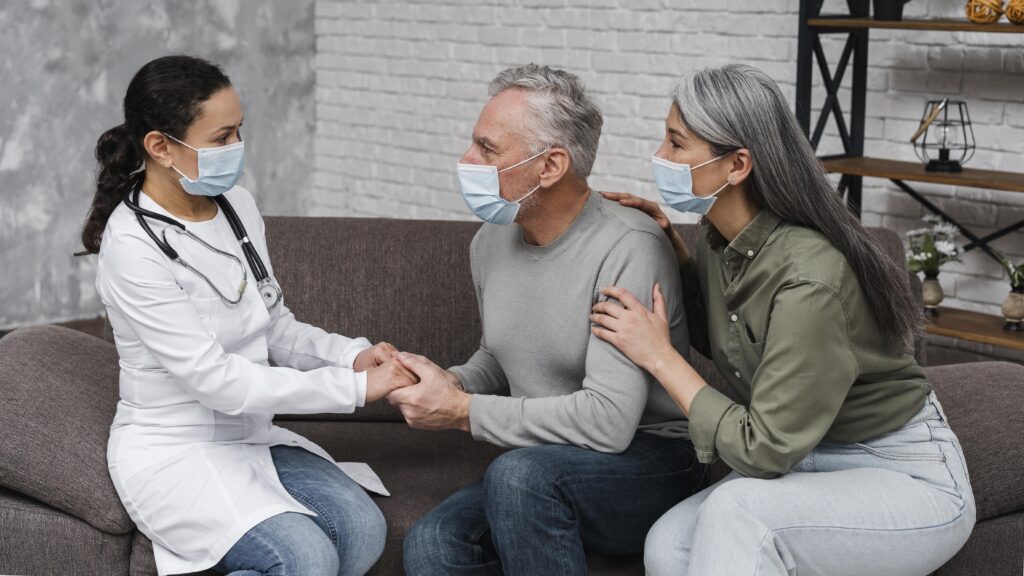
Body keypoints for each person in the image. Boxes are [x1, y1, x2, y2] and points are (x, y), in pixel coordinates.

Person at [592, 64, 975, 576]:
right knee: (667, 545)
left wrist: (658, 356)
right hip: (808, 457)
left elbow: (764, 448)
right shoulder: (718, 236)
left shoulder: (808, 279)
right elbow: (724, 337)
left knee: (737, 513)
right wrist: (673, 250)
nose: (659, 158)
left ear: (737, 165)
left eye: (677, 143)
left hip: (900, 472)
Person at [80, 55, 414, 576]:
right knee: (305, 557)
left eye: (239, 132)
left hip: (250, 437)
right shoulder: (132, 245)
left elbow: (273, 323)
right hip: (175, 450)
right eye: (221, 138)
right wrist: (351, 390)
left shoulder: (235, 204)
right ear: (161, 147)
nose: (236, 150)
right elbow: (215, 381)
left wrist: (351, 355)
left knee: (363, 530)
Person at [387, 64, 706, 576]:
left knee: (519, 476)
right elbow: (501, 354)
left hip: (651, 461)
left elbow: (608, 423)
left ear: (550, 165)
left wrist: (463, 410)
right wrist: (446, 379)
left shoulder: (628, 247)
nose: (467, 161)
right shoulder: (491, 240)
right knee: (432, 543)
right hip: (546, 462)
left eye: (487, 149)